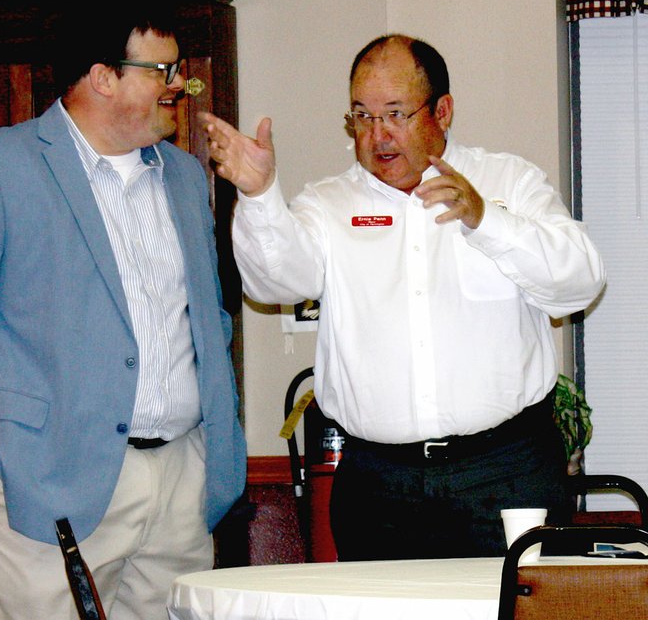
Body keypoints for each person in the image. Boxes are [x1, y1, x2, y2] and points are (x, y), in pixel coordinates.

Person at [0, 0, 247, 620]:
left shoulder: (186, 177)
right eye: (161, 71)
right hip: (41, 484)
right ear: (103, 77)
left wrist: (208, 453)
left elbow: (206, 318)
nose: (180, 85)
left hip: (179, 485)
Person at [202, 33, 605, 560]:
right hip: (378, 481)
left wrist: (487, 220)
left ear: (443, 110)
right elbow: (274, 282)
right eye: (362, 116)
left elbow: (580, 282)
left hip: (506, 473)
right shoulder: (329, 203)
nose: (378, 135)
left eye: (395, 113)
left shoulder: (508, 180)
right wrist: (258, 197)